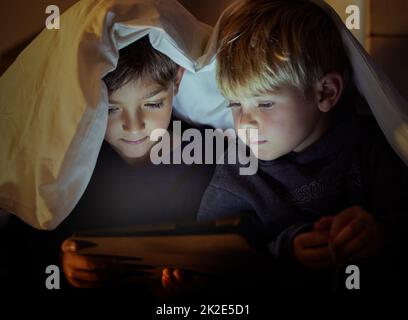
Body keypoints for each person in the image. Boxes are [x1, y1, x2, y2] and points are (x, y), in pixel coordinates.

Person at [162, 0, 408, 293]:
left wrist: (380, 233)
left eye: (265, 103)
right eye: (236, 104)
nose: (246, 124)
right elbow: (222, 264)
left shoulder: (373, 150)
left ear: (326, 92)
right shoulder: (236, 180)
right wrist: (284, 251)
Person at [1, 36, 215, 290]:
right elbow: (21, 253)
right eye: (111, 109)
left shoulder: (212, 157)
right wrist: (62, 263)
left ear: (177, 80)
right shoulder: (64, 166)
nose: (134, 127)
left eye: (153, 103)